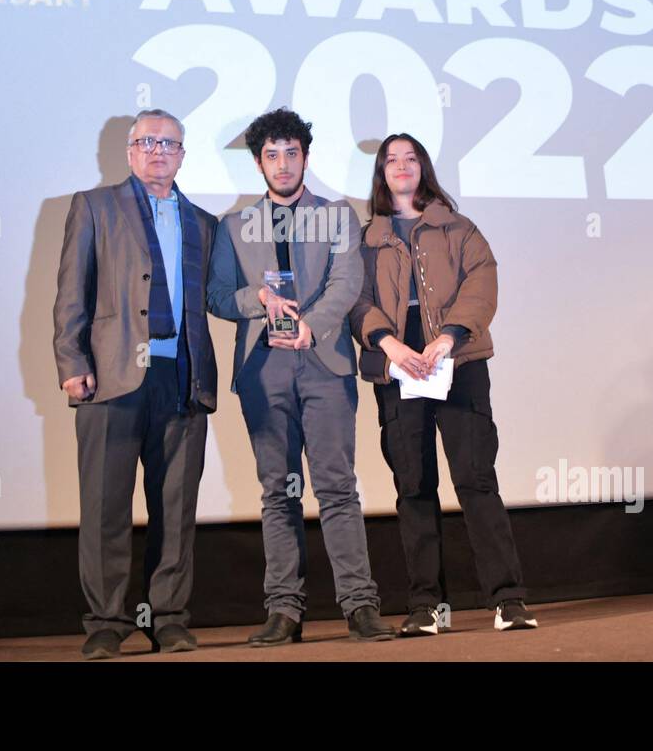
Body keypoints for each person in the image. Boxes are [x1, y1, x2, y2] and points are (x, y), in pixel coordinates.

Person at [207, 107, 395, 645]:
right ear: (259, 164)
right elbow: (217, 295)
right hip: (264, 370)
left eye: (292, 153)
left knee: (338, 488)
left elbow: (346, 279)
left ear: (306, 158)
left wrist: (310, 327)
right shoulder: (234, 225)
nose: (283, 163)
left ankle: (360, 605)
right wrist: (256, 299)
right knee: (277, 493)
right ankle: (284, 611)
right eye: (272, 155)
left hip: (325, 365)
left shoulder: (337, 217)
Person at [349, 133, 536, 635]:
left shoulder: (459, 227)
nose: (401, 166)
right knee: (413, 487)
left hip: (457, 362)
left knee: (476, 479)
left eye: (411, 158)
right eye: (392, 160)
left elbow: (482, 281)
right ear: (382, 173)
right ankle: (425, 606)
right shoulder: (367, 238)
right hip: (398, 367)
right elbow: (355, 299)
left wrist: (450, 337)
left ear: (423, 168)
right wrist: (388, 344)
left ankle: (508, 599)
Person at [53, 109, 218, 659]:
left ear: (182, 155)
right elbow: (72, 293)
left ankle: (169, 616)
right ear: (129, 151)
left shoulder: (202, 221)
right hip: (111, 376)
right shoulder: (95, 207)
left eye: (169, 144)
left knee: (175, 506)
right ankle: (106, 620)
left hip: (181, 376)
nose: (158, 151)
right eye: (147, 141)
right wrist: (71, 360)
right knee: (105, 506)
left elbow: (210, 300)